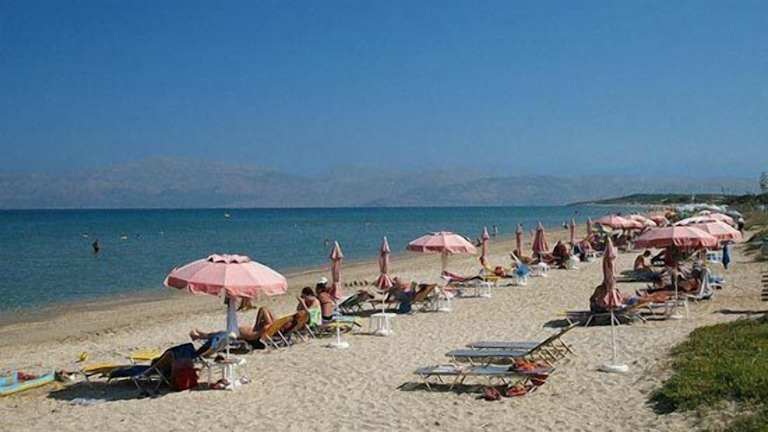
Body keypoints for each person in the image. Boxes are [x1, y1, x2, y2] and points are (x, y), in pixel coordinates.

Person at [190, 306, 275, 350]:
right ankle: (202, 335)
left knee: (221, 335)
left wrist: (257, 323)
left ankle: (199, 336)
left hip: (240, 335)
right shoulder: (268, 326)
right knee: (221, 333)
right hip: (240, 333)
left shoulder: (267, 326)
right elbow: (265, 310)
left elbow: (263, 309)